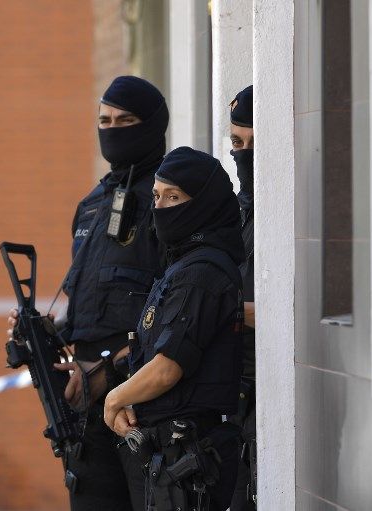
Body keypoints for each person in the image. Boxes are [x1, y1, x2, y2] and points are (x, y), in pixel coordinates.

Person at [7, 75, 168, 511]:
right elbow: (91, 300)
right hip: (86, 401)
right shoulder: (93, 205)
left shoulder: (168, 198)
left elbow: (177, 305)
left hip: (143, 399)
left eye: (126, 120)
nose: (113, 129)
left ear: (152, 125)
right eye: (105, 120)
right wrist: (47, 332)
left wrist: (112, 371)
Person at [102, 146, 245, 511]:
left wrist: (114, 399)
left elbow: (167, 368)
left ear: (202, 204)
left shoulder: (201, 273)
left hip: (191, 459)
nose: (161, 206)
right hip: (168, 458)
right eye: (156, 195)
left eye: (174, 196)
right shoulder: (181, 267)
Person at [228, 85, 257, 511]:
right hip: (230, 397)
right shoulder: (232, 213)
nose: (244, 153)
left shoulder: (292, 210)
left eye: (254, 142)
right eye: (237, 143)